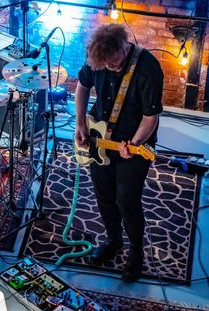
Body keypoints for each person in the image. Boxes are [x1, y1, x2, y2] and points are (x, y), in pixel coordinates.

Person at [74, 23, 163, 282]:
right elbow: (82, 86)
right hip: (99, 137)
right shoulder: (98, 58)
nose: (109, 67)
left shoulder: (147, 68)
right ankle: (113, 240)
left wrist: (134, 143)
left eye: (113, 63)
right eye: (104, 65)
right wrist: (80, 123)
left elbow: (150, 117)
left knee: (127, 200)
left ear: (124, 46)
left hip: (134, 142)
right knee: (104, 194)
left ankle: (136, 252)